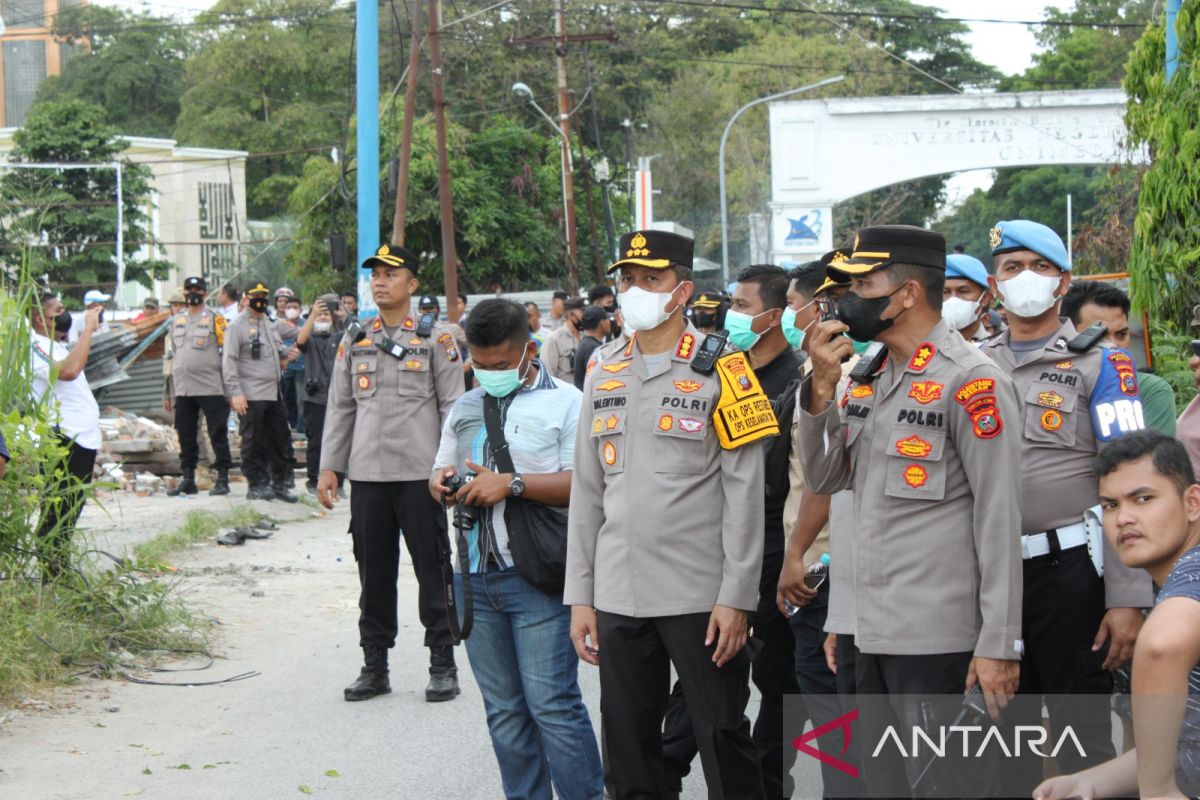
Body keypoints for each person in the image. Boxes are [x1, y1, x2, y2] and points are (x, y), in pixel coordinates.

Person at [798, 225, 1023, 797]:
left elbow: (999, 519)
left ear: (906, 296)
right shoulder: (869, 377)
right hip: (871, 634)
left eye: (865, 283)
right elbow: (827, 480)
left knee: (950, 787)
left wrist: (998, 644)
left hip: (939, 641)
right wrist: (821, 393)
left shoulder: (971, 380)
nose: (849, 298)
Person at [566, 229, 777, 799]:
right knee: (629, 754)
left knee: (723, 740)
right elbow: (587, 492)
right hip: (618, 592)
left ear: (682, 290)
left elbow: (745, 492)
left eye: (650, 280)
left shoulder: (727, 369)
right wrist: (581, 597)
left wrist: (737, 597)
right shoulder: (601, 369)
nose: (635, 290)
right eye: (628, 279)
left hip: (699, 596)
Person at [979, 220, 1153, 792]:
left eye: (1040, 266)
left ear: (1063, 282)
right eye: (1011, 267)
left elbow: (1129, 478)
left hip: (1069, 573)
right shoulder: (966, 365)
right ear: (993, 282)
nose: (1025, 277)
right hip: (985, 575)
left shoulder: (1104, 364)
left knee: (1081, 734)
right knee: (1001, 736)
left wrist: (1127, 596)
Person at [429, 298, 602, 800]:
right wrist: (440, 484)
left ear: (529, 350)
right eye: (478, 365)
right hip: (475, 579)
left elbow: (585, 484)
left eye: (500, 365)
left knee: (552, 705)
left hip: (539, 576)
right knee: (503, 711)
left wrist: (513, 484)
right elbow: (438, 469)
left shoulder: (568, 401)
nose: (488, 374)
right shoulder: (464, 407)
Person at [662, 263, 800, 799]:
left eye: (743, 306)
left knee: (775, 681)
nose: (730, 316)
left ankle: (767, 783)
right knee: (704, 666)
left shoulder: (796, 378)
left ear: (775, 316)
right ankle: (665, 769)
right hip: (710, 541)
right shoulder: (718, 365)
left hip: (771, 539)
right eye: (732, 305)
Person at [318, 243, 465, 704]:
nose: (380, 281)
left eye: (391, 273)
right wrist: (330, 467)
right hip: (367, 476)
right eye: (375, 275)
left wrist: (449, 468)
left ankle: (442, 663)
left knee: (433, 570)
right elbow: (340, 407)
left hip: (422, 475)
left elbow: (453, 408)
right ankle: (374, 665)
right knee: (373, 576)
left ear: (413, 284)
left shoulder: (437, 339)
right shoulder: (355, 337)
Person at [1035, 430, 1200, 799]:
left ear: (1193, 503)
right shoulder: (1172, 579)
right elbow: (1180, 743)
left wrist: (1157, 793)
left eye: (1143, 499)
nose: (1123, 518)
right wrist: (1090, 781)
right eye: (1110, 505)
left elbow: (1161, 646)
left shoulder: (1194, 572)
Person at [775, 258, 862, 798]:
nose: (787, 316)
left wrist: (795, 553)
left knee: (837, 718)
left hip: (825, 570)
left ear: (820, 307)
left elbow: (825, 482)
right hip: (823, 569)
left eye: (791, 305)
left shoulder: (843, 378)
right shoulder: (820, 374)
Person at [30, 292, 103, 576]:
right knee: (58, 511)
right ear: (40, 318)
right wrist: (87, 330)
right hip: (63, 437)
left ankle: (58, 572)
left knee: (68, 512)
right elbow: (70, 371)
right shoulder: (34, 345)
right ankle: (52, 576)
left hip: (80, 435)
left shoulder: (56, 345)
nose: (64, 314)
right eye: (58, 310)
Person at [1062, 279, 1178, 435]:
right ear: (1068, 335)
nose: (1112, 346)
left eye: (1121, 334)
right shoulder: (1047, 387)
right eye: (1097, 337)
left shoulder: (1151, 391)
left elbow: (1152, 458)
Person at [222, 281, 297, 503]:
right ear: (245, 299)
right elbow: (229, 361)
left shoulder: (269, 323)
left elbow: (280, 349)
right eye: (256, 296)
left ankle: (279, 483)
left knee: (280, 438)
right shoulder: (237, 326)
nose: (261, 300)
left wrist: (287, 355)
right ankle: (256, 484)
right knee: (253, 441)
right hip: (250, 394)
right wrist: (235, 392)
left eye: (264, 295)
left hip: (274, 393)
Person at [165, 276, 232, 497]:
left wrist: (230, 387)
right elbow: (172, 354)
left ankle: (222, 477)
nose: (193, 293)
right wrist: (168, 389)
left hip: (211, 386)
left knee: (217, 433)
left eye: (197, 289)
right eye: (189, 289)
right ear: (184, 293)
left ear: (205, 293)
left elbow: (227, 353)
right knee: (185, 434)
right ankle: (188, 478)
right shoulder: (177, 320)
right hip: (183, 388)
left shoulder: (216, 318)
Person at [296, 294, 343, 497]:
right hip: (315, 398)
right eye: (320, 314)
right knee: (315, 441)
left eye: (327, 313)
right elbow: (300, 340)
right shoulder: (311, 337)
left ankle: (339, 483)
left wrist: (343, 316)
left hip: (339, 398)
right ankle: (313, 479)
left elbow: (360, 337)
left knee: (340, 440)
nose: (323, 317)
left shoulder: (340, 335)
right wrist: (313, 314)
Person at [942, 253, 993, 341]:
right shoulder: (923, 350)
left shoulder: (998, 350)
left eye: (963, 291)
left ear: (985, 298)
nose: (953, 299)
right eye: (945, 292)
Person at [540, 297, 585, 383]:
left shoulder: (586, 337)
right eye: (582, 312)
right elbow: (548, 374)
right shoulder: (554, 339)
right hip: (567, 394)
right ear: (571, 316)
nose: (585, 315)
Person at [571, 306, 609, 390]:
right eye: (607, 319)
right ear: (602, 323)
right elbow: (599, 379)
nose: (609, 322)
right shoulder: (593, 348)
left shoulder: (586, 344)